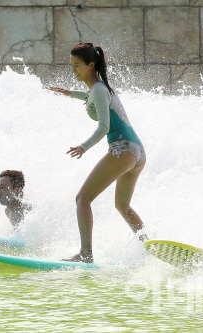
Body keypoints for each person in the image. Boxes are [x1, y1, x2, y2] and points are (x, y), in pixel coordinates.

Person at [49, 43, 148, 263]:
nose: (73, 70)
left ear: (91, 65)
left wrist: (83, 147)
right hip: (136, 151)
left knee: (82, 199)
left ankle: (86, 254)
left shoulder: (100, 90)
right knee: (122, 205)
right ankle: (147, 246)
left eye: (77, 66)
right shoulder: (98, 88)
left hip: (122, 148)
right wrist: (69, 94)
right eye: (71, 65)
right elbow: (90, 97)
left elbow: (103, 126)